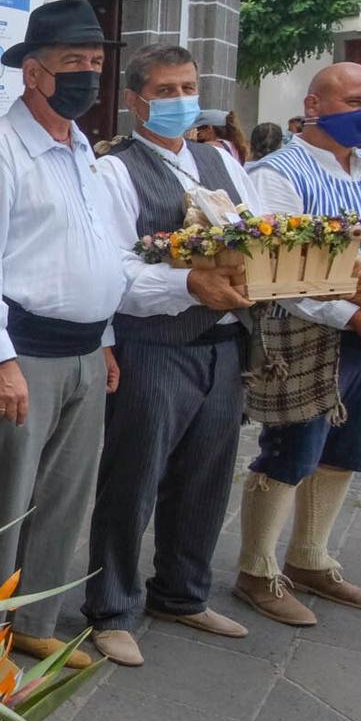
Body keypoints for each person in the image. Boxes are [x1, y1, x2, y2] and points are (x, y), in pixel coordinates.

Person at [0, 0, 129, 665]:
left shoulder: (82, 151)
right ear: (33, 74)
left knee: (63, 498)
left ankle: (34, 619)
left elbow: (95, 251)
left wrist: (103, 337)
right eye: (72, 62)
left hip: (81, 351)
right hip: (19, 352)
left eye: (96, 63)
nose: (86, 74)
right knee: (1, 503)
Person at [85, 46, 263, 665]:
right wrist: (188, 284)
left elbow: (255, 233)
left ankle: (183, 592)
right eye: (165, 90)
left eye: (188, 86)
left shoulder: (221, 160)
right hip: (154, 345)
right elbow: (115, 271)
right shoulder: (114, 170)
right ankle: (110, 607)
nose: (180, 99)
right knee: (134, 477)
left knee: (208, 473)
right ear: (137, 102)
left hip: (222, 343)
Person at [238, 62, 361, 626]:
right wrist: (351, 315)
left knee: (349, 442)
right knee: (294, 443)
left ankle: (310, 557)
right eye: (352, 100)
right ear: (315, 105)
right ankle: (256, 568)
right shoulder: (278, 172)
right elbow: (276, 270)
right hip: (302, 329)